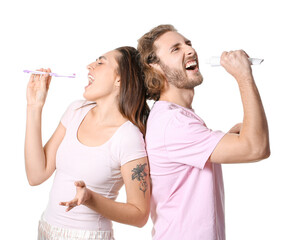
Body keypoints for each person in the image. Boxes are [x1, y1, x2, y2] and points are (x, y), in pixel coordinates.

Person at [137, 24, 270, 240]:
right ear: (155, 66)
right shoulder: (173, 123)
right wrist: (243, 75)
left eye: (188, 44)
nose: (190, 50)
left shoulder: (176, 118)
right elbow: (256, 148)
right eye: (175, 49)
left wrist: (222, 141)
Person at [25, 46, 151, 240]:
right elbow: (36, 175)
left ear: (120, 79)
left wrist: (91, 199)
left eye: (100, 62)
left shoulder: (129, 137)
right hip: (46, 230)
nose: (89, 66)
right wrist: (34, 106)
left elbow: (140, 215)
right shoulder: (76, 110)